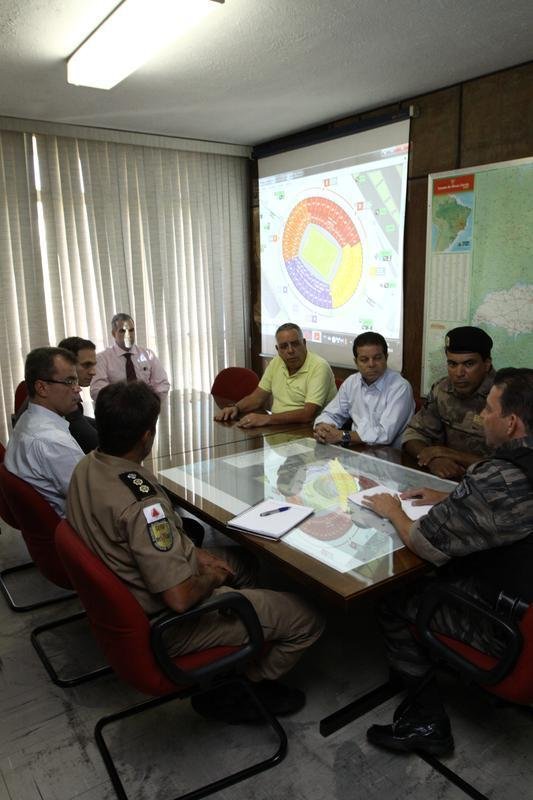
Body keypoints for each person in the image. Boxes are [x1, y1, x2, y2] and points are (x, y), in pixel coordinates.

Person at [67, 380, 325, 722]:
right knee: (309, 618)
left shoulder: (88, 464)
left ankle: (239, 642)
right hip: (170, 624)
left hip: (134, 589)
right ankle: (241, 688)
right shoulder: (143, 505)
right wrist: (212, 575)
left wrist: (198, 555)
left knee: (245, 562)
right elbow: (179, 598)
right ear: (147, 436)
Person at [362, 367, 533, 755]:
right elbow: (512, 514)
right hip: (525, 596)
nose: (480, 417)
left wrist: (393, 511)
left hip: (507, 624)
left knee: (395, 597)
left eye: (489, 410)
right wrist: (452, 500)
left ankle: (426, 721)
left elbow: (424, 542)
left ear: (511, 422)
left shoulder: (498, 478)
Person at [401, 326, 495, 479]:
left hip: (494, 487)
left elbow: (514, 467)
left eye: (469, 364)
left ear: (487, 364)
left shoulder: (506, 398)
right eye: (452, 364)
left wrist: (450, 454)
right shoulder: (442, 389)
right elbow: (414, 434)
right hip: (449, 480)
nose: (459, 373)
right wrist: (433, 460)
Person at [5, 347, 84, 516]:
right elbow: (92, 497)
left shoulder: (26, 418)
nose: (78, 389)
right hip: (77, 530)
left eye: (76, 381)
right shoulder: (53, 441)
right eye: (70, 381)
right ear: (41, 388)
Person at [214, 323, 337, 428]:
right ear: (277, 349)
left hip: (307, 431)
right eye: (284, 346)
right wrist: (236, 408)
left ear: (304, 343)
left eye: (295, 344)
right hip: (278, 428)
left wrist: (265, 419)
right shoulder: (276, 362)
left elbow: (307, 415)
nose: (290, 351)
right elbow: (257, 398)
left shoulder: (319, 367)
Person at [313, 332, 414, 448]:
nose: (371, 364)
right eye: (364, 360)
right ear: (356, 362)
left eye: (377, 358)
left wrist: (342, 436)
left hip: (388, 456)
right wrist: (322, 428)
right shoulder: (351, 382)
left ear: (386, 357)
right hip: (356, 451)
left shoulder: (400, 387)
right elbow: (331, 414)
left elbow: (385, 434)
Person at [14, 336, 98, 454]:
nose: (93, 372)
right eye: (86, 365)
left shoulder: (47, 396)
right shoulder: (58, 400)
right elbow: (95, 443)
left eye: (94, 365)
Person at [90, 313, 170, 401]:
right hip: (117, 410)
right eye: (122, 331)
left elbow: (162, 383)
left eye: (131, 330)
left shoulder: (148, 354)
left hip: (147, 408)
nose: (128, 334)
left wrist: (151, 402)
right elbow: (97, 390)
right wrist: (123, 402)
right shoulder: (102, 358)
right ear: (113, 333)